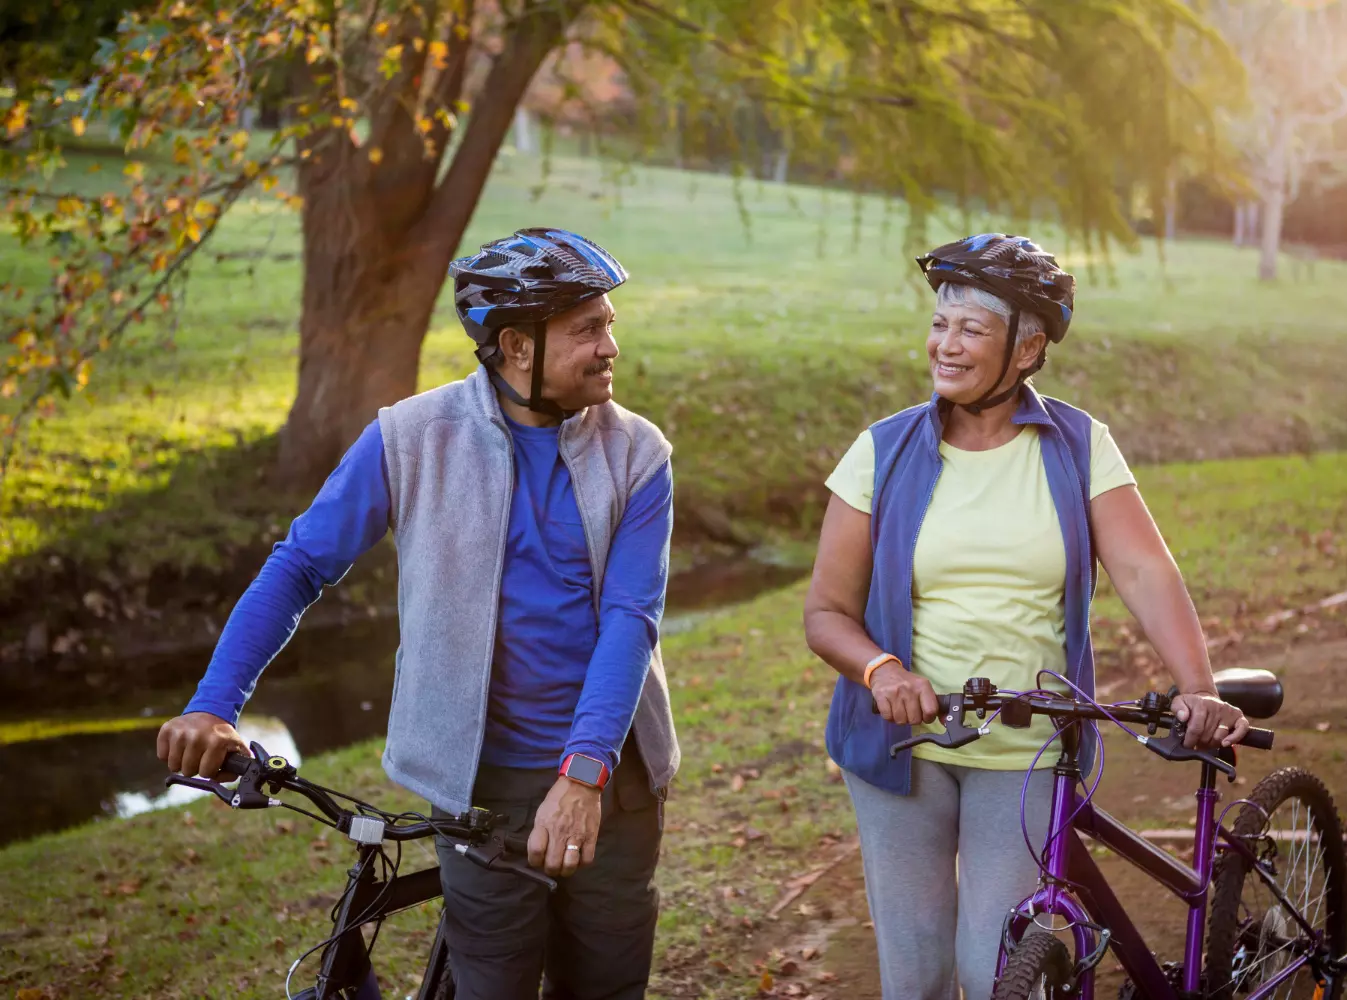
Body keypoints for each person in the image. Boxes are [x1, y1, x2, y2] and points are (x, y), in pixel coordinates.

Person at [155, 228, 677, 1000]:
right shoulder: (410, 439)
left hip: (614, 779)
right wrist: (213, 704)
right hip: (480, 792)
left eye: (609, 323)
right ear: (516, 345)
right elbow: (299, 565)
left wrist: (584, 774)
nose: (611, 346)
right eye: (588, 328)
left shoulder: (637, 452)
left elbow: (631, 619)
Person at [802, 233, 1248, 1000]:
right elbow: (826, 612)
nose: (946, 344)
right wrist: (881, 670)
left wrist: (1197, 684)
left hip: (1029, 745)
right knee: (915, 980)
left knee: (993, 970)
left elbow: (1145, 568)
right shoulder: (881, 450)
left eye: (972, 328)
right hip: (901, 741)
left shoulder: (1079, 446)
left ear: (1029, 346)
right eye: (940, 323)